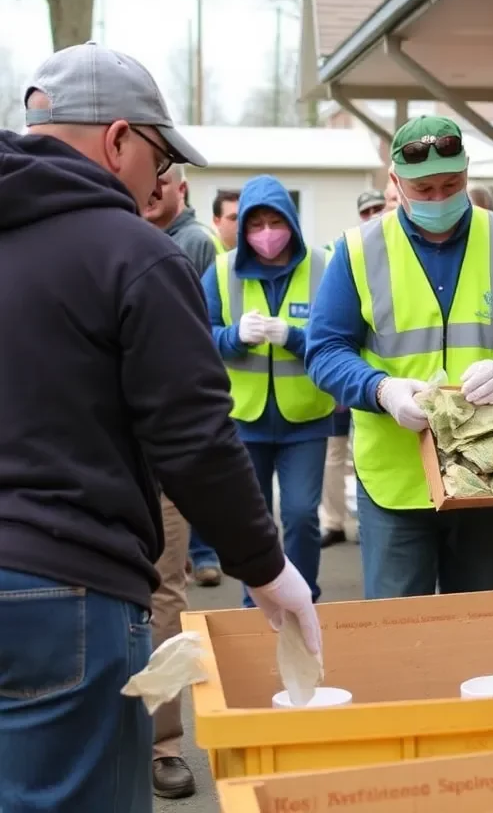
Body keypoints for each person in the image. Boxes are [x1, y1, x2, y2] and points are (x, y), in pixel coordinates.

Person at [0, 43, 319, 813]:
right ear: (117, 140)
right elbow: (194, 437)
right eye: (158, 155)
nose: (164, 181)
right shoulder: (133, 256)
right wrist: (268, 569)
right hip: (66, 586)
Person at [306, 115, 493, 599]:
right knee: (398, 631)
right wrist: (380, 390)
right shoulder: (357, 251)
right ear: (395, 183)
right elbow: (324, 351)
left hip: (490, 472)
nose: (438, 199)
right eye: (422, 188)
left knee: (483, 625)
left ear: (468, 173)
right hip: (395, 475)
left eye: (451, 185)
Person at [203, 175, 335, 608]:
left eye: (274, 222)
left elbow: (340, 335)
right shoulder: (221, 270)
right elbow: (199, 336)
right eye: (254, 224)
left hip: (306, 417)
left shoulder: (323, 265)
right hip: (244, 418)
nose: (266, 233)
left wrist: (295, 336)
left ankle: (303, 601)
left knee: (299, 515)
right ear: (241, 230)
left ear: (292, 223)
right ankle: (256, 601)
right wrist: (233, 336)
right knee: (251, 521)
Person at [141, 164, 220, 798]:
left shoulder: (187, 253)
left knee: (165, 600)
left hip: (160, 463)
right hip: (82, 467)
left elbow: (196, 376)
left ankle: (163, 743)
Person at [319, 190, 386, 548]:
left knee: (359, 453)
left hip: (379, 387)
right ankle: (332, 520)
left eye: (379, 207)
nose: (374, 214)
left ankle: (365, 519)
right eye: (368, 210)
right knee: (335, 453)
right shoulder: (344, 251)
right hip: (347, 382)